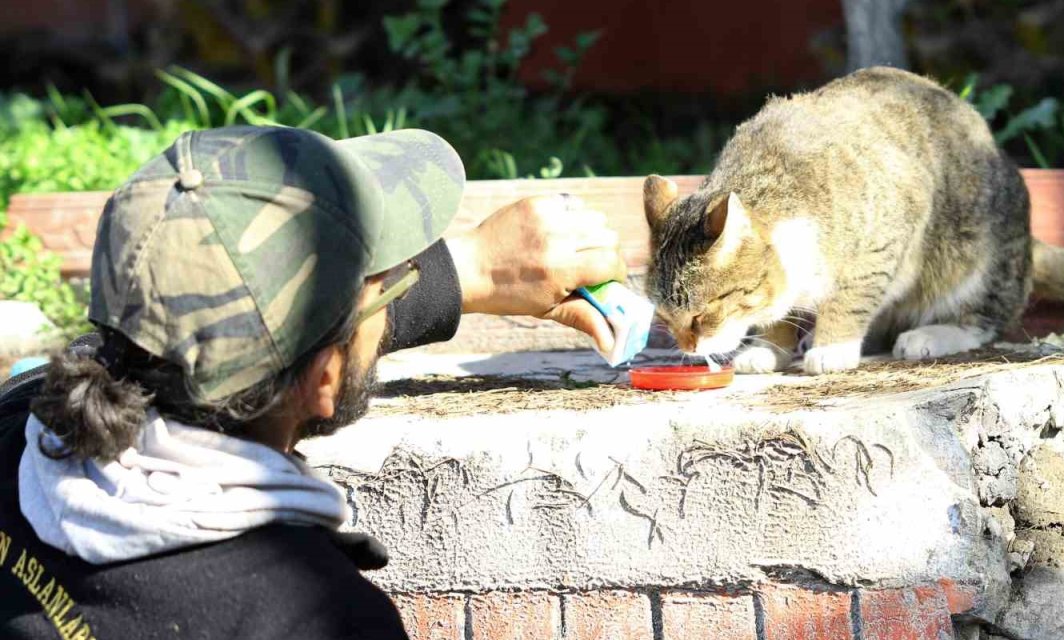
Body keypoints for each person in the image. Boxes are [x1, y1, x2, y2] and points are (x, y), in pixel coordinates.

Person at [0, 125, 628, 639]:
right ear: (323, 381)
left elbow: (130, 345)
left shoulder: (24, 426)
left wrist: (466, 272)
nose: (395, 286)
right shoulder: (313, 617)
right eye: (388, 284)